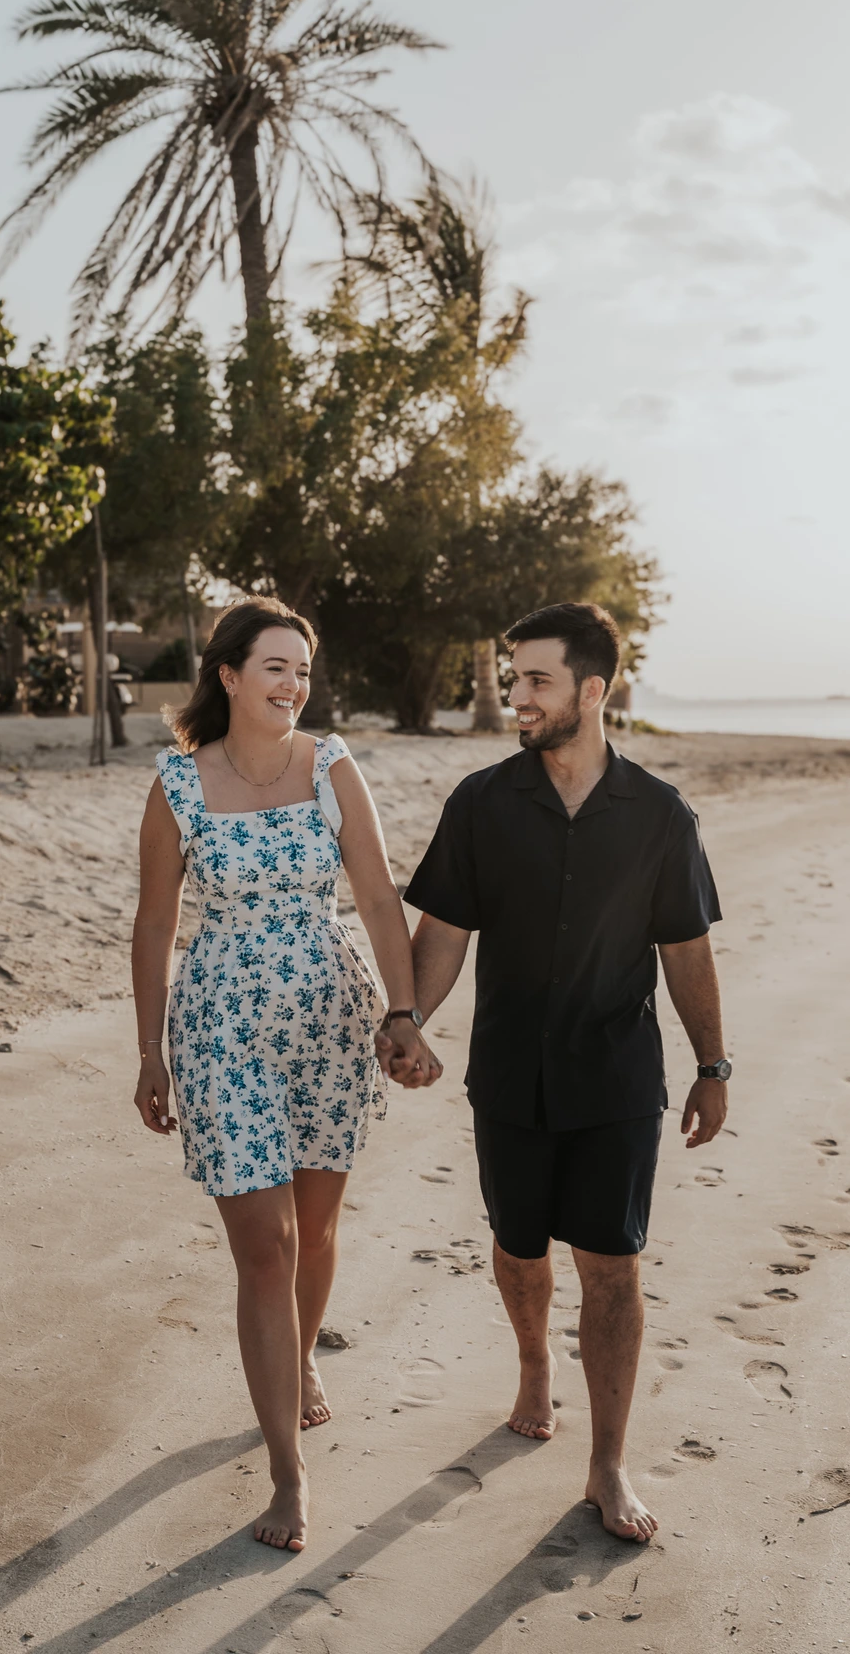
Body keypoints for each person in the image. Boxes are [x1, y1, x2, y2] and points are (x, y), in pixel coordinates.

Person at [378, 601, 728, 1544]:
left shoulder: (658, 815)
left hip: (616, 1079)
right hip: (509, 1076)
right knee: (519, 1245)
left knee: (611, 1265)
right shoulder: (482, 803)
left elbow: (685, 949)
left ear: (591, 690)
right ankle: (534, 1360)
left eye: (534, 680)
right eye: (512, 678)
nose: (514, 697)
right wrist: (406, 1017)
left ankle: (607, 1462)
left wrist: (711, 1064)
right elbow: (443, 933)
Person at [131, 597, 439, 1553]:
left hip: (329, 1019)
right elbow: (152, 925)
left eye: (303, 670)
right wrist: (150, 1051)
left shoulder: (333, 764)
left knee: (315, 1228)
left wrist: (403, 1014)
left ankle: (300, 1359)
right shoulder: (176, 784)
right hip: (220, 1026)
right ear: (228, 674)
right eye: (275, 666)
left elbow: (380, 897)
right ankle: (287, 1477)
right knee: (262, 1247)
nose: (293, 685)